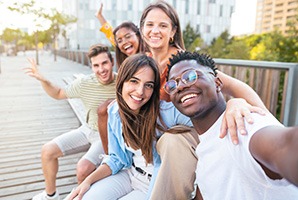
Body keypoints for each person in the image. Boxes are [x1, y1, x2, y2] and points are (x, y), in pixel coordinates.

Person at [139, 1, 268, 199]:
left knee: (171, 144)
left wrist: (263, 117)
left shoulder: (182, 63)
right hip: (161, 135)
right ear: (141, 29)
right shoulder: (146, 61)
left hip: (191, 133)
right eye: (150, 25)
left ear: (173, 31)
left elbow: (233, 86)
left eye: (163, 25)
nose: (155, 31)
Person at [165, 51, 298, 199]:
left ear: (217, 83)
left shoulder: (244, 124)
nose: (180, 87)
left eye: (190, 77)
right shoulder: (206, 146)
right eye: (172, 85)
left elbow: (285, 145)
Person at [67, 53, 194, 200]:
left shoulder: (166, 112)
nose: (140, 91)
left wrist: (228, 105)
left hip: (154, 185)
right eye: (134, 81)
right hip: (129, 174)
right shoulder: (114, 112)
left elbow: (207, 120)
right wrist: (87, 181)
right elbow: (117, 159)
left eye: (148, 85)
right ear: (122, 81)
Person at [24, 44, 117, 200]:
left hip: (107, 136)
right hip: (87, 129)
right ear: (91, 67)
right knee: (47, 151)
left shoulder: (123, 83)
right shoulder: (85, 83)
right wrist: (43, 80)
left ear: (112, 61)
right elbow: (59, 93)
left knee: (82, 168)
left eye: (104, 63)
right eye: (96, 65)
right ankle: (50, 195)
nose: (101, 69)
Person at [96, 2, 144, 154]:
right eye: (120, 40)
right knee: (103, 109)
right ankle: (110, 155)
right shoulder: (125, 58)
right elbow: (112, 35)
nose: (124, 42)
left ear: (139, 35)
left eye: (128, 37)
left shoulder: (148, 55)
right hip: (130, 98)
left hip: (144, 99)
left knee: (107, 110)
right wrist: (100, 17)